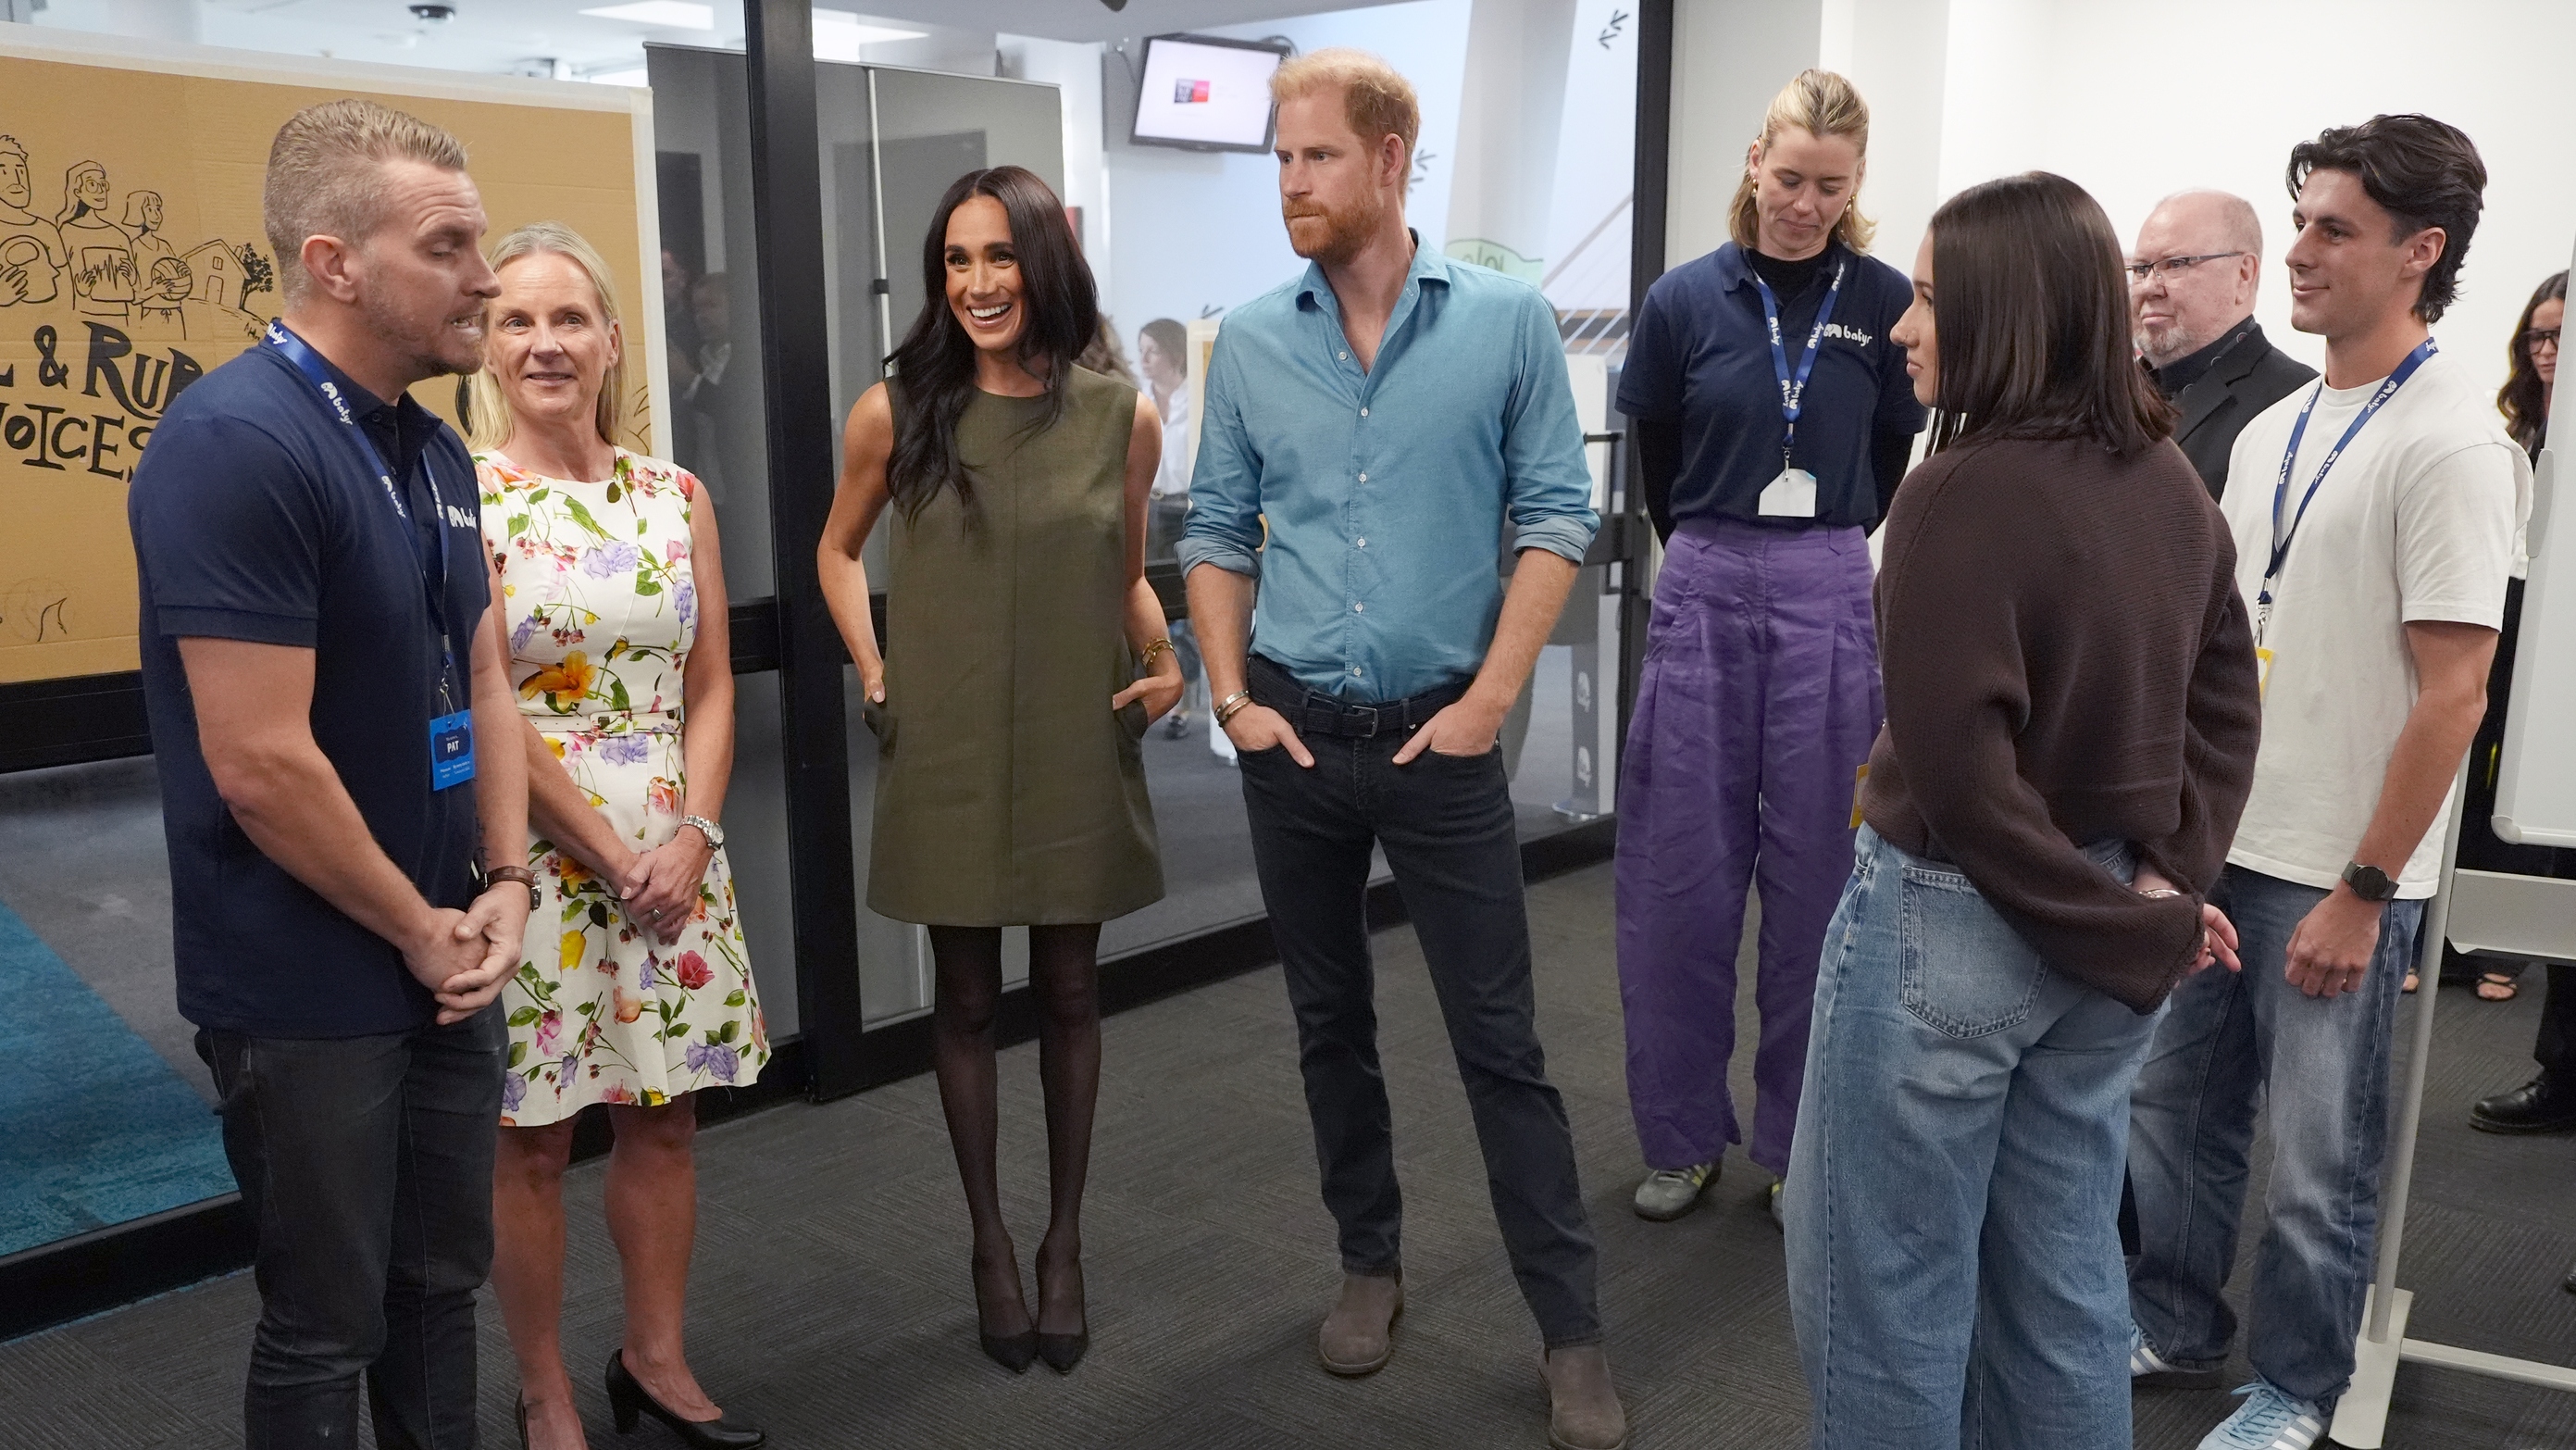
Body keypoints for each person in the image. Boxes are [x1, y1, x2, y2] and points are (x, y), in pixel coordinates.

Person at [1181, 49, 1625, 1450]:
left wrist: (1495, 696)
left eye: (1312, 157)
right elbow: (1212, 530)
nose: (1288, 183)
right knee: (1329, 1028)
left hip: (1445, 736)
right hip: (1296, 743)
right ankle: (1364, 1264)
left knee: (1499, 1040)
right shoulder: (1251, 338)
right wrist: (1232, 693)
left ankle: (1568, 1331)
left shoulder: (1500, 325)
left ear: (1388, 158)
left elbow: (1559, 512)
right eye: (1277, 160)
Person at [1782, 170, 2260, 1450]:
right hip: (2102, 929)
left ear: (1998, 309)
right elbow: (2226, 698)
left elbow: (1959, 781)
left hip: (1961, 927)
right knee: (2060, 1287)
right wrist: (2160, 885)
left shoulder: (1951, 493)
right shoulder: (2164, 477)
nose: (1901, 327)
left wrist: (2118, 921)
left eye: (1929, 297)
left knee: (1882, 1292)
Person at [124, 98, 533, 1448]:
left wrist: (510, 885)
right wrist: (419, 929)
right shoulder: (236, 443)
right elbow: (257, 762)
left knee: (438, 1291)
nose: (486, 276)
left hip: (450, 949)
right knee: (324, 1324)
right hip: (310, 982)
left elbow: (480, 677)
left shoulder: (431, 447)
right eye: (449, 245)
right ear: (333, 261)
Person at [2126, 115, 2530, 1450]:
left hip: (2337, 870)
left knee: (2314, 1166)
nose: (2293, 252)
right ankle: (2173, 1321)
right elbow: (2220, 654)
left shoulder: (2452, 445)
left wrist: (2363, 889)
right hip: (2219, 846)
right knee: (2171, 1119)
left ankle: (2294, 1385)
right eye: (2297, 222)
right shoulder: (2272, 430)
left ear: (2417, 253)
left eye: (2329, 230)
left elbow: (2452, 696)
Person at [816, 164, 1179, 1378]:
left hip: (1072, 728)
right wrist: (874, 668)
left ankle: (1062, 1242)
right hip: (953, 733)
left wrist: (1164, 654)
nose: (975, 282)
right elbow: (834, 551)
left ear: (1043, 263)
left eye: (998, 256)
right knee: (965, 996)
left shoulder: (1119, 411)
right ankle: (985, 1240)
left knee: (1071, 989)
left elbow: (1127, 568)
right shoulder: (894, 409)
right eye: (955, 261)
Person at [468, 222, 766, 1450]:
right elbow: (488, 702)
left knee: (666, 1116)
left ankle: (655, 1355)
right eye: (516, 321)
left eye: (567, 319)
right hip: (534, 859)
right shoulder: (465, 502)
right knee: (532, 1138)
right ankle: (543, 1389)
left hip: (673, 857)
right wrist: (606, 847)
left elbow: (710, 688)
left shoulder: (672, 493)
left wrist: (691, 832)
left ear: (610, 339)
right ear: (485, 349)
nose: (545, 343)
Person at [1612, 69, 1924, 1229]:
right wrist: (1712, 544)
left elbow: (1892, 458)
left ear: (1855, 188)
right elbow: (1656, 453)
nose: (1804, 204)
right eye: (1788, 178)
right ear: (1753, 161)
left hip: (1830, 585)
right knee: (1677, 875)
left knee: (1821, 879)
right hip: (1702, 575)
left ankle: (1802, 1139)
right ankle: (1680, 1136)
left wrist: (1819, 545)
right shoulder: (1683, 299)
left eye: (1829, 187)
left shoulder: (1884, 299)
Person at [2463, 269, 2576, 1113]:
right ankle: (2561, 1074)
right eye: (2536, 336)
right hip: (2508, 638)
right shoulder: (2518, 432)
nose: (2546, 352)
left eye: (2560, 337)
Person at [2129, 189, 2318, 498]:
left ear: (2244, 275)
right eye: (2140, 269)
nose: (2149, 287)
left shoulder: (2296, 403)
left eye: (2175, 264)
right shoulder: (2103, 395)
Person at [1138, 315, 1207, 734]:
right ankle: (1160, 691)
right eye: (1140, 349)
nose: (1144, 358)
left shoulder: (1195, 400)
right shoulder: (1138, 401)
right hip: (1150, 508)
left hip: (1188, 507)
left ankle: (1184, 707)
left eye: (1153, 350)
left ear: (1174, 354)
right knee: (1155, 606)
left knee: (1192, 605)